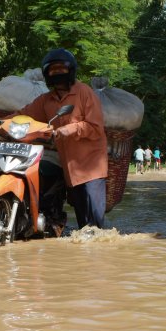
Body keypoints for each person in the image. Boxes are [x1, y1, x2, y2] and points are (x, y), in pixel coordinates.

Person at [13, 48, 108, 229]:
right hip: (71, 168)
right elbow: (25, 114)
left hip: (91, 167)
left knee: (94, 223)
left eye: (61, 70)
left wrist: (70, 129)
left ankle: (98, 255)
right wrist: (1, 121)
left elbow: (96, 127)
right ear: (47, 75)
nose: (57, 74)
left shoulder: (85, 93)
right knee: (83, 225)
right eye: (53, 71)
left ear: (70, 71)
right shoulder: (46, 100)